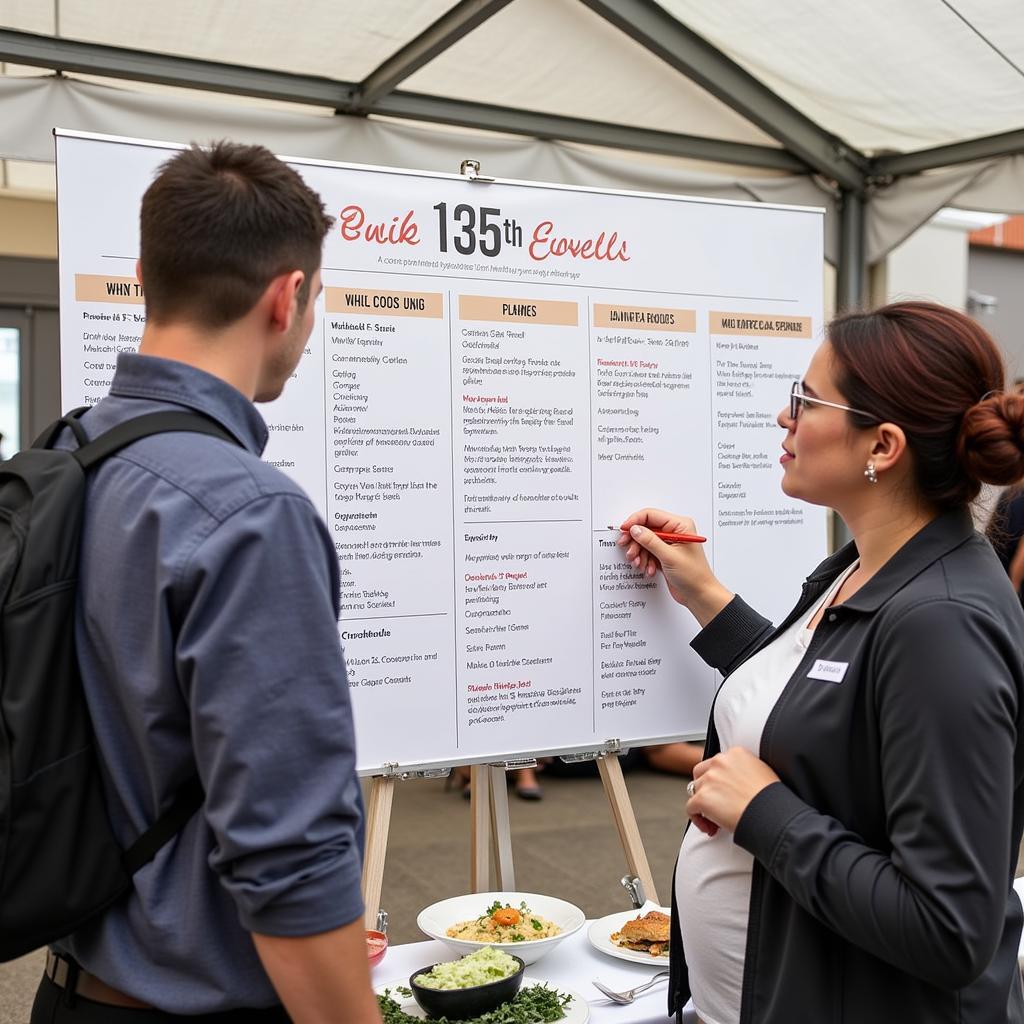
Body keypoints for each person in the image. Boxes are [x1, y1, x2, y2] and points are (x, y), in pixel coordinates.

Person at [31, 143, 381, 1023]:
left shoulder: (62, 456)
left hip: (68, 986)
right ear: (287, 296)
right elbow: (290, 857)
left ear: (146, 276)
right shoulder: (249, 512)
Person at [618, 301, 1024, 1024]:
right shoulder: (866, 567)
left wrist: (765, 813)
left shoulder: (942, 625)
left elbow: (949, 928)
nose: (785, 417)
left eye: (805, 399)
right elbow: (822, 704)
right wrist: (704, 595)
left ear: (884, 445)